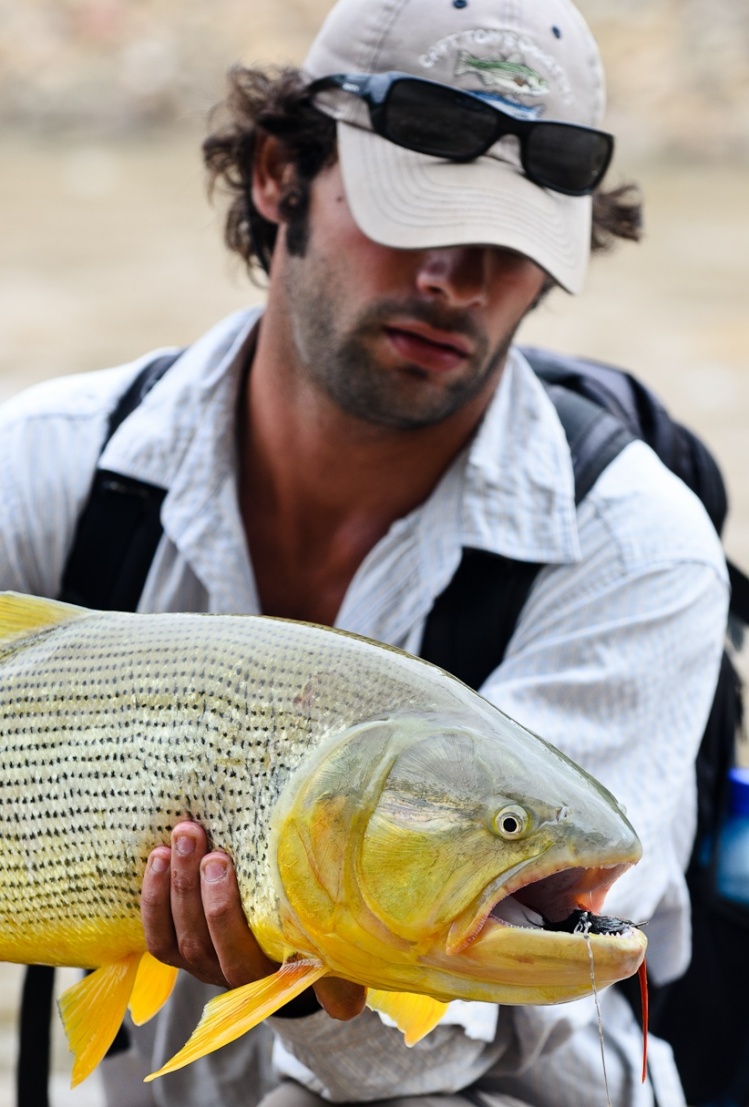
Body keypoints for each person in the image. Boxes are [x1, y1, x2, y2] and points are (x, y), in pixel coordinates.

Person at [0, 0, 729, 1105]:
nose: (457, 275)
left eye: (512, 241)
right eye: (414, 210)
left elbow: (489, 1026)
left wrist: (307, 977)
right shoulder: (53, 466)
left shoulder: (635, 547)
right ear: (276, 176)